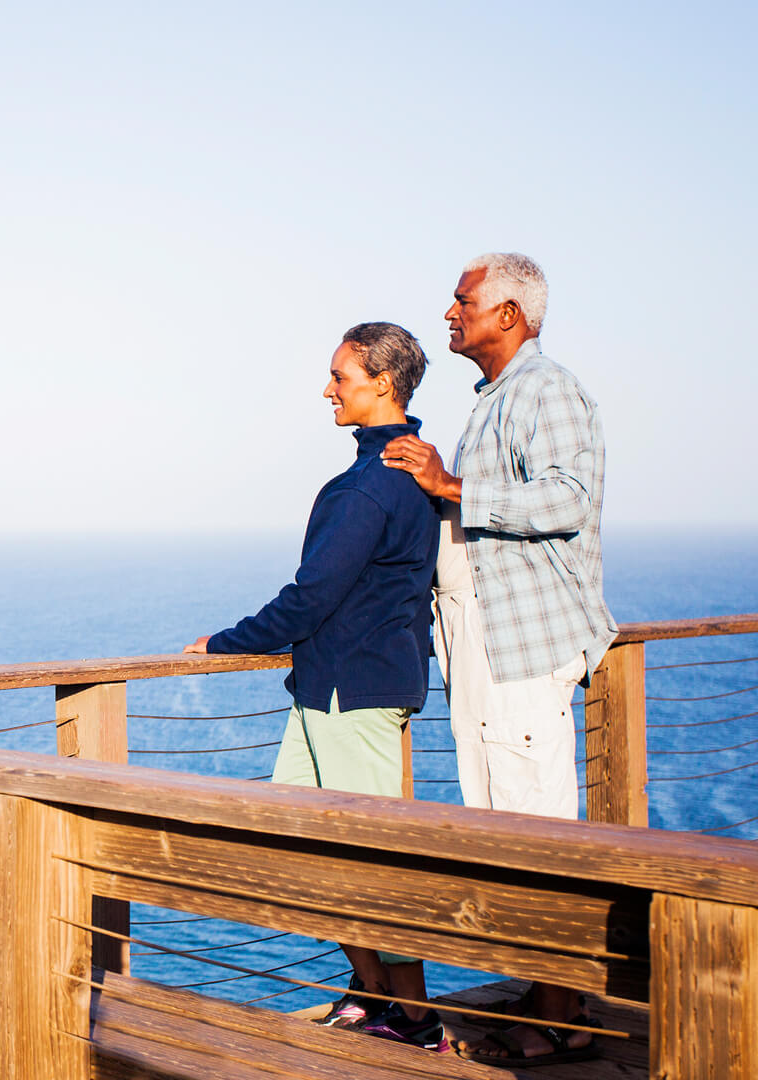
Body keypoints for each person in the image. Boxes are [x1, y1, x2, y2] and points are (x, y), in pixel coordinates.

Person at [184, 321, 446, 1052]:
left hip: (351, 696)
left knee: (372, 867)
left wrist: (224, 642)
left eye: (340, 376)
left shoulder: (371, 485)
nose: (328, 389)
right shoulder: (407, 470)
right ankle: (373, 994)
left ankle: (418, 1022)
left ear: (381, 384)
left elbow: (312, 596)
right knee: (303, 856)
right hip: (332, 691)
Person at [382, 253, 617, 1067]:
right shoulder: (496, 400)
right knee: (503, 821)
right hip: (487, 652)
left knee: (538, 825)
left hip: (522, 650)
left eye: (464, 300)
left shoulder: (547, 390)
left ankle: (562, 1012)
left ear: (510, 314)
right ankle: (546, 988)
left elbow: (566, 499)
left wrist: (450, 485)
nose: (450, 312)